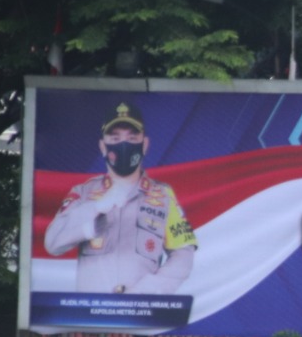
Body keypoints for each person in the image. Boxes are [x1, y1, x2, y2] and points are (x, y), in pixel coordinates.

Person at [42, 101, 197, 293]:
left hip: (141, 313)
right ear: (103, 146)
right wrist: (96, 207)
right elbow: (53, 243)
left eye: (132, 138)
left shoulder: (163, 194)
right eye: (115, 139)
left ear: (145, 144)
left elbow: (183, 253)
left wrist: (149, 290)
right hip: (89, 315)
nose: (124, 145)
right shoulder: (83, 192)